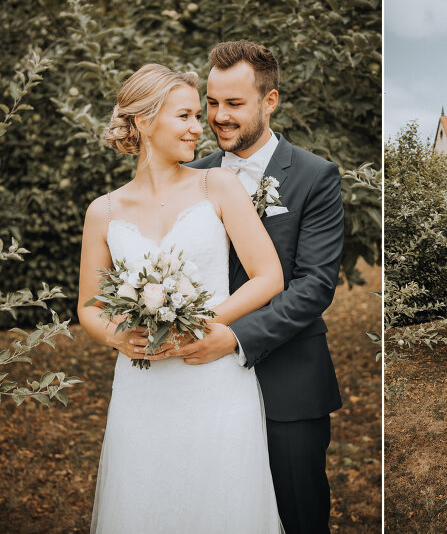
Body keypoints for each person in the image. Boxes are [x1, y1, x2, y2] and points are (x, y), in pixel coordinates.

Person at [77, 64, 284, 532]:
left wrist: (201, 322)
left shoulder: (218, 186)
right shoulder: (104, 211)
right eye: (185, 116)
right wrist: (117, 338)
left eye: (198, 114)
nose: (199, 127)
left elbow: (268, 276)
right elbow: (89, 305)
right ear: (146, 122)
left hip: (211, 376)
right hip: (142, 383)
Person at [166, 40, 345, 534]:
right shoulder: (189, 175)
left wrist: (237, 337)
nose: (219, 116)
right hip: (199, 379)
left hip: (288, 379)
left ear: (270, 102)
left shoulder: (315, 176)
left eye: (234, 104)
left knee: (298, 513)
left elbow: (314, 286)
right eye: (212, 102)